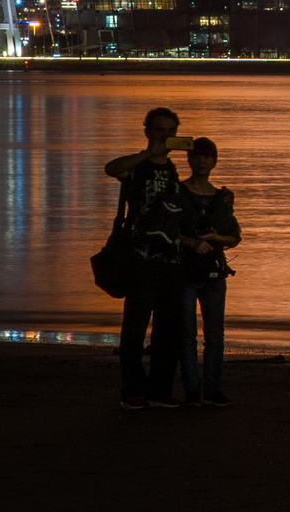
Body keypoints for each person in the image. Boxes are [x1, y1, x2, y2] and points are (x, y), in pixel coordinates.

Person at [104, 106, 188, 410]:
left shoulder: (176, 172)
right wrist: (147, 153)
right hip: (140, 259)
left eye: (170, 131)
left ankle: (159, 389)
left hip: (171, 261)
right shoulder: (136, 167)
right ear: (147, 131)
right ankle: (134, 390)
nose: (165, 136)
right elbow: (111, 168)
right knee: (135, 329)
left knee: (169, 331)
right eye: (159, 130)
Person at [176, 137, 241, 408]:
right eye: (197, 156)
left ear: (214, 161)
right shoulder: (178, 193)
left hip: (214, 274)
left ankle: (212, 389)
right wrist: (191, 242)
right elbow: (168, 232)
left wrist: (216, 237)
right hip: (185, 274)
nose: (201, 161)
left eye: (207, 157)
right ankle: (193, 391)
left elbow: (235, 237)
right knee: (187, 334)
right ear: (189, 159)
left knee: (215, 336)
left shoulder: (222, 197)